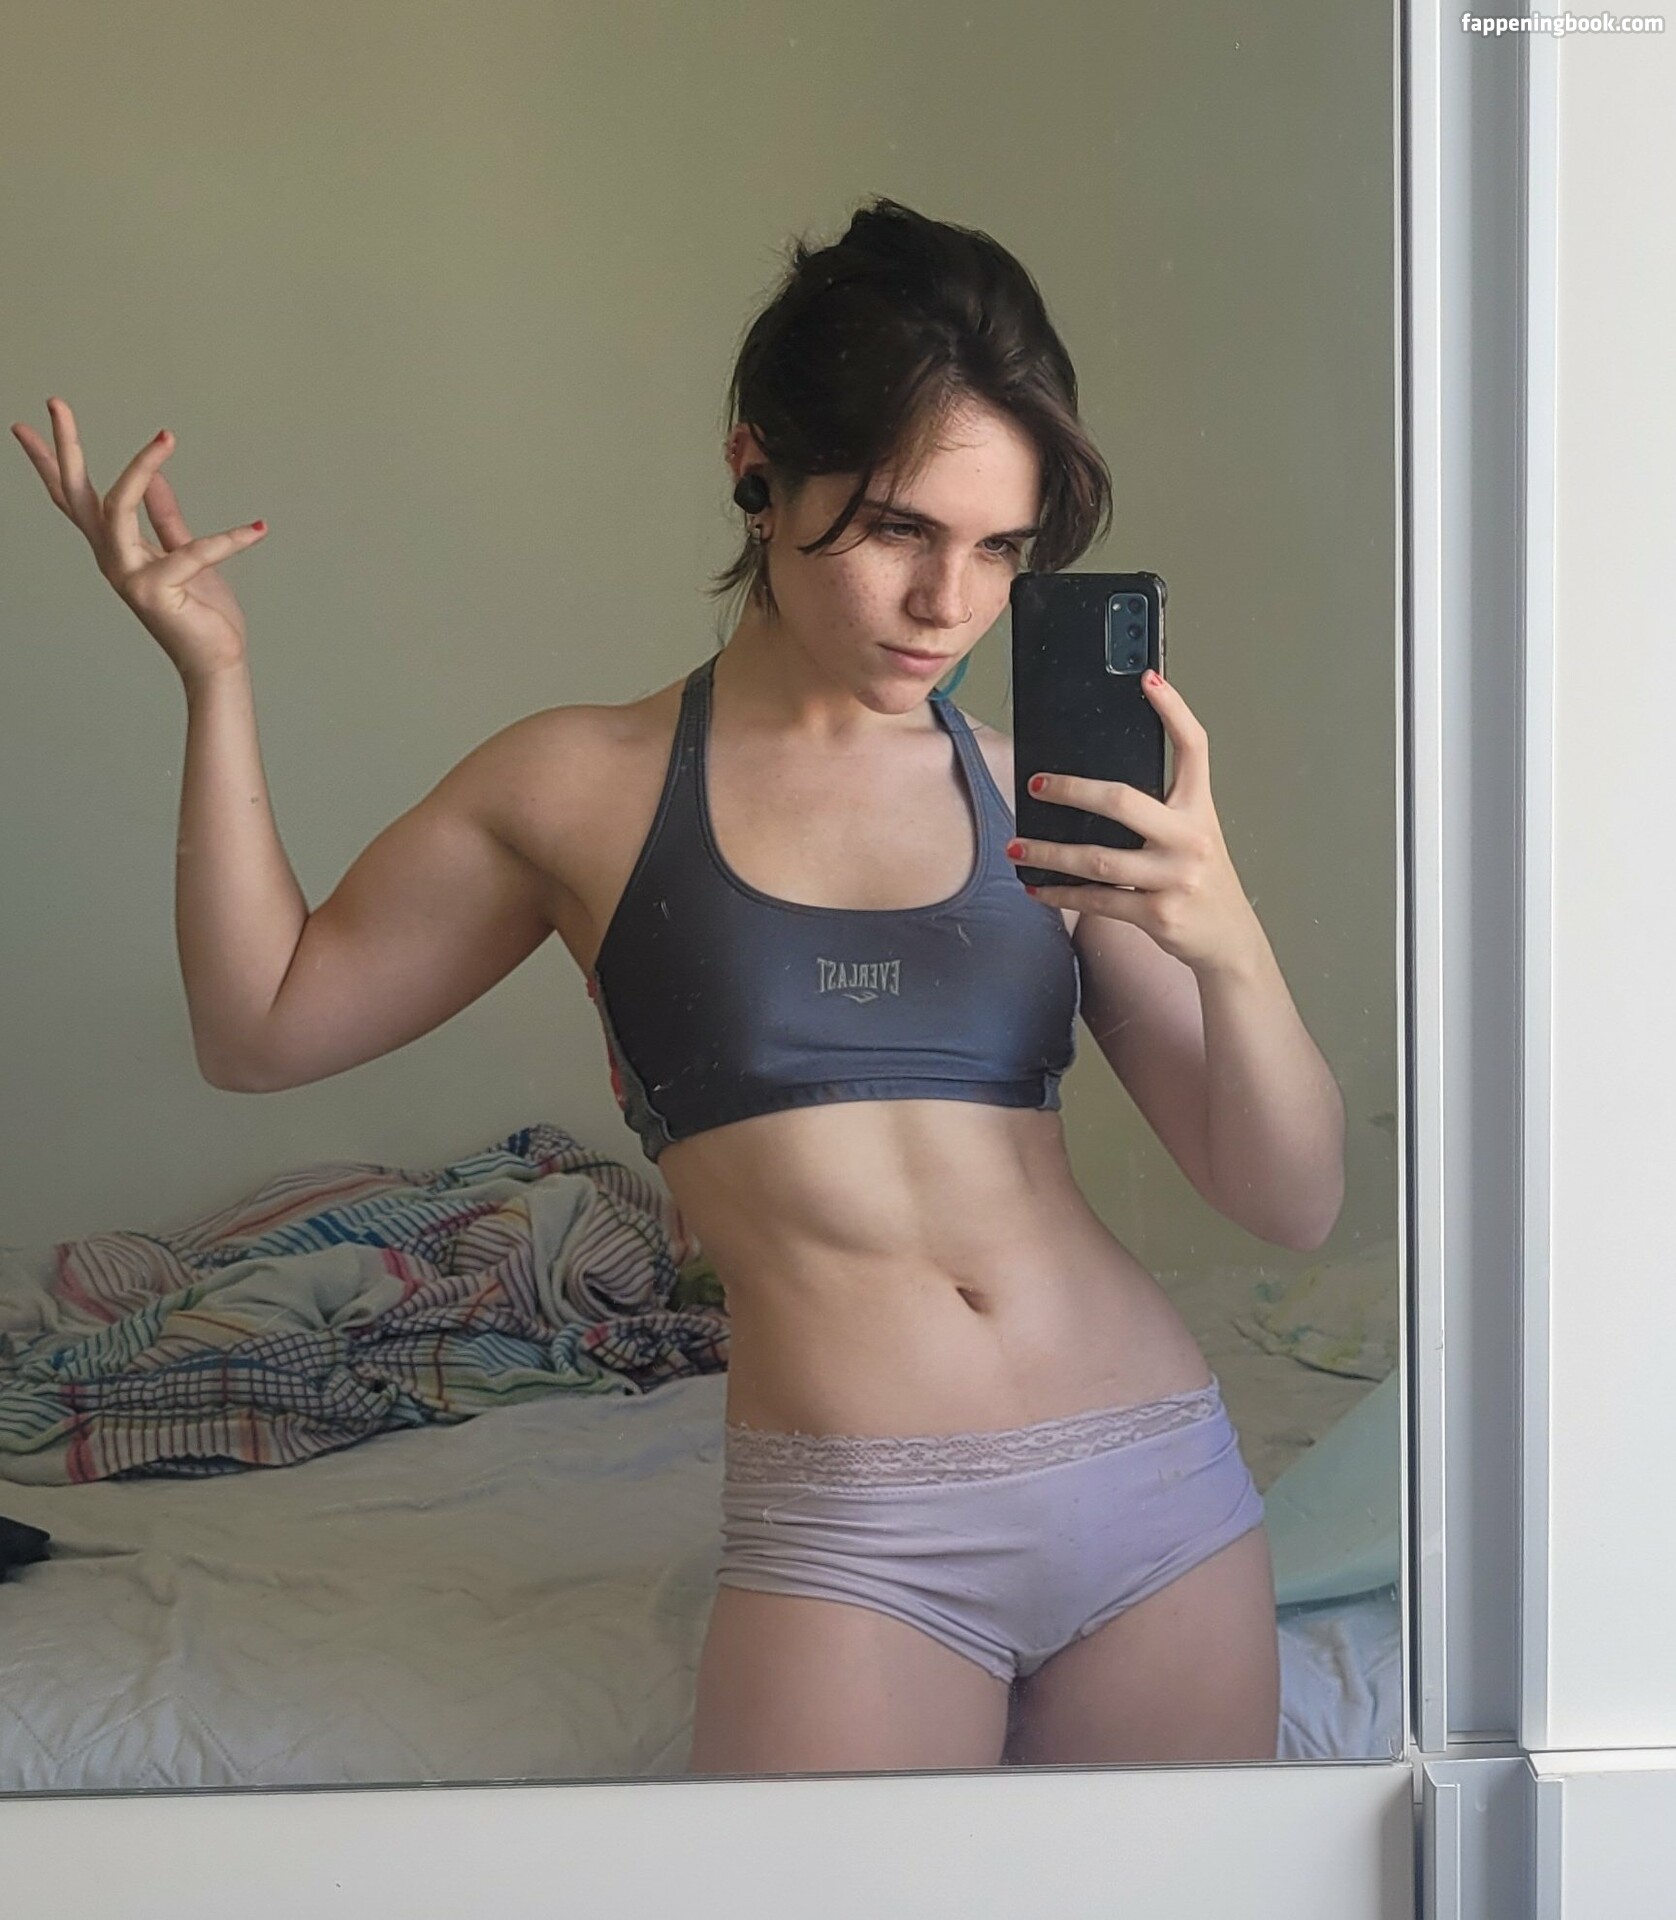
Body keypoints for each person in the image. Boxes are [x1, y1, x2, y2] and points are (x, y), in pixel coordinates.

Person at [11, 196, 1344, 1776]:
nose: (951, 603)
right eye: (900, 529)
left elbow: (1291, 1200)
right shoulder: (580, 785)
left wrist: (1226, 934)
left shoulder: (1032, 791)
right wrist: (215, 679)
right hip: (864, 1538)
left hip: (1156, 1495)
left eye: (999, 549)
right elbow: (260, 1029)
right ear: (756, 470)